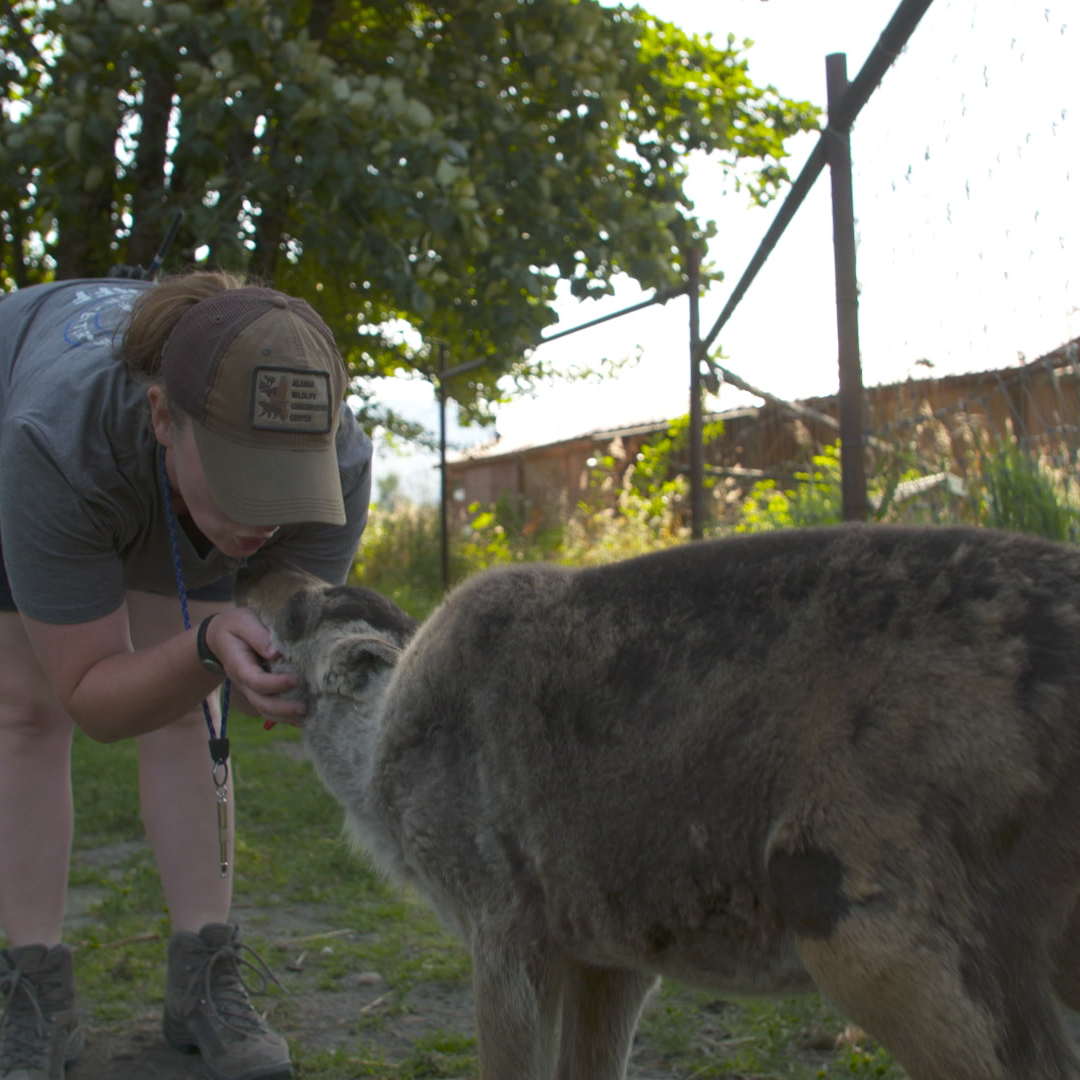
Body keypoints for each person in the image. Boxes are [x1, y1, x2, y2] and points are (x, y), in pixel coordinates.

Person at [0, 270, 373, 1080]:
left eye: (284, 481)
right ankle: (34, 983)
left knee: (189, 710)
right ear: (164, 417)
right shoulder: (57, 443)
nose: (264, 517)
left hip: (139, 463)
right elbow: (95, 700)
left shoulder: (340, 455)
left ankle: (204, 974)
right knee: (28, 711)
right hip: (32, 438)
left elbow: (272, 635)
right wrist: (207, 644)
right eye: (244, 477)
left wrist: (255, 662)